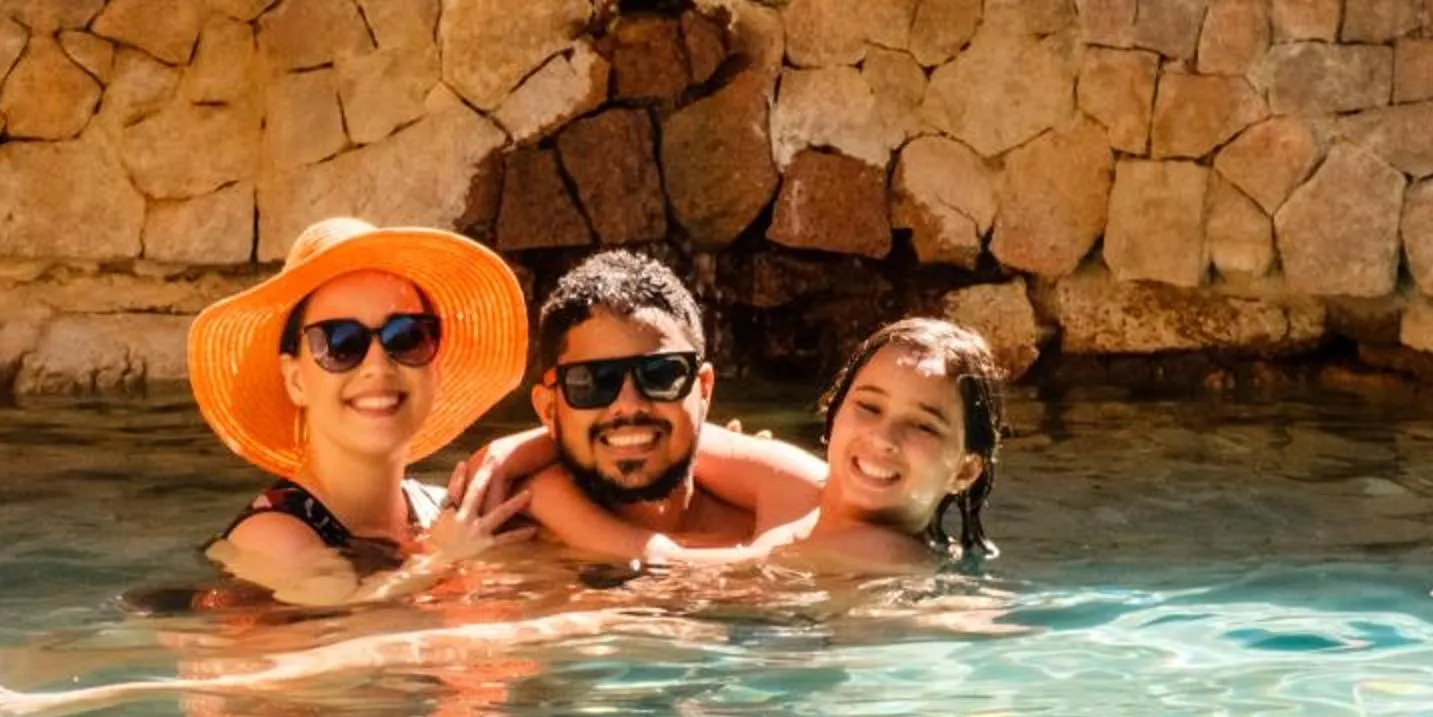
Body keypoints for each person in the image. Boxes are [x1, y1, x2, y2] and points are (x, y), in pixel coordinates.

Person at [188, 216, 538, 608]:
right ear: (296, 380)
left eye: (405, 337)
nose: (377, 364)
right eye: (341, 343)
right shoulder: (272, 536)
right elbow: (347, 633)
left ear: (435, 369)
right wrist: (440, 561)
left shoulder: (437, 512)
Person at [523, 315, 1006, 574]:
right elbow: (660, 431)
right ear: (833, 416)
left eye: (923, 426)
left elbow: (664, 565)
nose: (883, 438)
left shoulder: (885, 553)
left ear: (965, 471)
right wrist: (515, 451)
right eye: (869, 407)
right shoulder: (807, 491)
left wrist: (544, 494)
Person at [454, 250, 826, 556]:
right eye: (593, 382)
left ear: (705, 390)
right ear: (549, 409)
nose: (629, 405)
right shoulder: (511, 540)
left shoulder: (786, 513)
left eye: (661, 375)